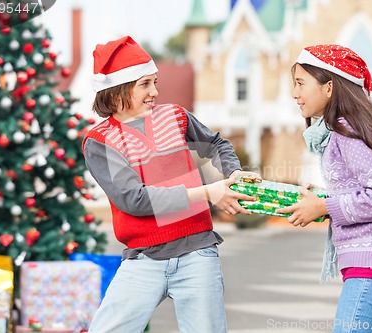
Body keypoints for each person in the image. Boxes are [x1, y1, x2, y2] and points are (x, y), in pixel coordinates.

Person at [82, 35, 258, 333]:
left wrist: (233, 174)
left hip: (198, 254)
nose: (155, 92)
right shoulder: (99, 142)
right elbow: (133, 200)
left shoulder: (175, 116)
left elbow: (217, 144)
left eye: (155, 82)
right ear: (115, 93)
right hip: (143, 259)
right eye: (145, 84)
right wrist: (207, 192)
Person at [276, 44, 372, 333]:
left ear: (329, 87)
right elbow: (365, 189)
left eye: (300, 83)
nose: (294, 93)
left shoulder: (345, 133)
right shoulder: (344, 129)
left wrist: (324, 206)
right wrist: (321, 200)